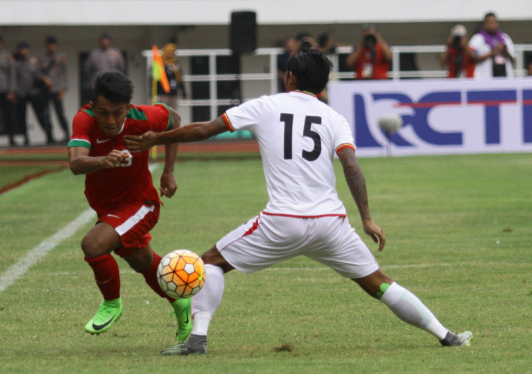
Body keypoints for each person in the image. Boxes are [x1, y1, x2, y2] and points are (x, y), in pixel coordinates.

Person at [124, 48, 473, 355]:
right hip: (330, 224)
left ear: (289, 76)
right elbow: (350, 165)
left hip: (282, 221)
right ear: (322, 85)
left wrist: (159, 136)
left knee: (210, 262)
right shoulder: (334, 117)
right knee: (379, 283)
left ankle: (196, 340)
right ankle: (446, 335)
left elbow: (206, 129)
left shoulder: (266, 105)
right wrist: (366, 218)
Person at [67, 72, 192, 342]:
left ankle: (112, 303)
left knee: (93, 245)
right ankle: (180, 303)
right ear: (93, 107)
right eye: (104, 113)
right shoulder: (84, 119)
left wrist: (168, 170)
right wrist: (102, 160)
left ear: (129, 108)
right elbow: (76, 163)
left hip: (141, 204)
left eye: (118, 113)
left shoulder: (144, 117)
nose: (111, 120)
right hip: (108, 208)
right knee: (143, 262)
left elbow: (176, 120)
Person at [14, 42, 52, 145]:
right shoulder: (16, 64)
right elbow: (14, 79)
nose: (23, 51)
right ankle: (25, 137)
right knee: (21, 117)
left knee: (41, 114)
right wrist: (14, 92)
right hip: (21, 93)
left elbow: (39, 74)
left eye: (25, 49)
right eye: (21, 49)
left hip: (34, 92)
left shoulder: (34, 61)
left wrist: (45, 79)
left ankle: (49, 135)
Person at [39, 36, 69, 142]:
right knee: (46, 114)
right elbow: (37, 72)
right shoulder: (41, 58)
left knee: (60, 113)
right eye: (49, 45)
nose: (51, 47)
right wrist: (44, 78)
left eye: (53, 45)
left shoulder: (61, 57)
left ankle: (66, 134)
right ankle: (49, 136)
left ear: (56, 46)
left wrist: (63, 89)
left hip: (57, 90)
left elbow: (64, 74)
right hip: (45, 90)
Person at [469, 12, 516, 79]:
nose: (491, 24)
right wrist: (492, 52)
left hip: (504, 77)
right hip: (485, 78)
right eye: (489, 22)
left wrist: (505, 51)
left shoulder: (505, 38)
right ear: (484, 24)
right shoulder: (477, 39)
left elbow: (513, 59)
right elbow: (472, 58)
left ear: (497, 23)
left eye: (494, 22)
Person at [155, 43, 187, 110]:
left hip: (174, 93)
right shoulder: (160, 64)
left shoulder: (176, 64)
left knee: (173, 112)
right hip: (163, 93)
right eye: (169, 52)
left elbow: (179, 79)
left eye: (173, 52)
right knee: (163, 111)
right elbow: (156, 79)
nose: (171, 54)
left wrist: (183, 92)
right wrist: (156, 93)